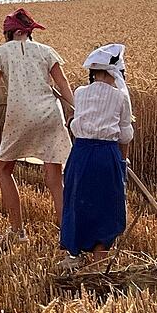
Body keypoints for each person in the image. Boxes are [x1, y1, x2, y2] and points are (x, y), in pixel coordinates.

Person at [0, 8, 74, 242]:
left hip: (20, 115)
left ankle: (17, 231)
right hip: (50, 114)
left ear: (7, 33)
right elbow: (62, 83)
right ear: (30, 31)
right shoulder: (46, 51)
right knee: (54, 175)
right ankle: (66, 235)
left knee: (4, 169)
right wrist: (75, 109)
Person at [59, 43, 134, 268]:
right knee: (106, 203)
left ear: (93, 72)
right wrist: (123, 162)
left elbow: (75, 125)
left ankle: (74, 254)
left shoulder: (80, 93)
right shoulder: (120, 97)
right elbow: (125, 135)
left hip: (80, 153)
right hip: (106, 154)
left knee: (77, 200)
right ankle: (100, 257)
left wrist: (73, 121)